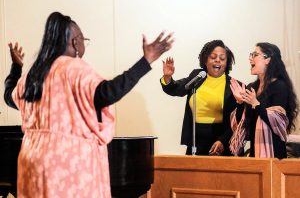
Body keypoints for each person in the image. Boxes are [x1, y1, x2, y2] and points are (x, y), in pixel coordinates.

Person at [4, 12, 174, 198]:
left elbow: (9, 97)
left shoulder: (33, 74)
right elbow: (107, 93)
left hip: (32, 161)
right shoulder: (74, 68)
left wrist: (16, 67)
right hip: (67, 162)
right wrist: (146, 61)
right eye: (83, 39)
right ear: (75, 42)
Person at [160, 40, 238, 156]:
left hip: (220, 141)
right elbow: (176, 89)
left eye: (222, 58)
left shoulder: (234, 86)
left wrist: (223, 140)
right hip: (195, 141)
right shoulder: (197, 76)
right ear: (205, 60)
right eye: (213, 57)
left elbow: (238, 120)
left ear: (227, 63)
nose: (217, 60)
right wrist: (167, 77)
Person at [230, 42, 299, 158]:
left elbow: (278, 122)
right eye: (251, 54)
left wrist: (256, 104)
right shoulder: (252, 87)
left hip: (274, 153)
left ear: (267, 60)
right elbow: (242, 124)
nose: (250, 58)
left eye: (255, 55)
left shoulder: (279, 86)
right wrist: (240, 102)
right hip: (254, 152)